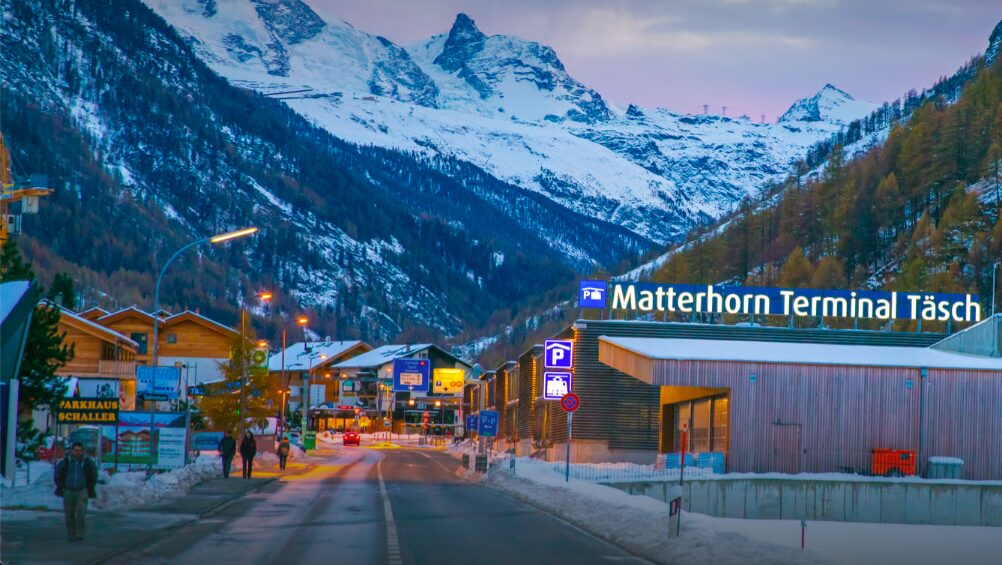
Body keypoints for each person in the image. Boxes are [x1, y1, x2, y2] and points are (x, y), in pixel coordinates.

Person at [54, 442, 98, 542]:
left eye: (79, 451)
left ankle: (80, 534)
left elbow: (93, 475)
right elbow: (58, 474)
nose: (77, 453)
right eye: (75, 450)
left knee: (81, 512)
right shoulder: (66, 462)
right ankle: (71, 534)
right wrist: (61, 486)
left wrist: (90, 487)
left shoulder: (87, 462)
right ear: (71, 451)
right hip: (68, 490)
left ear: (82, 451)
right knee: (69, 513)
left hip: (82, 490)